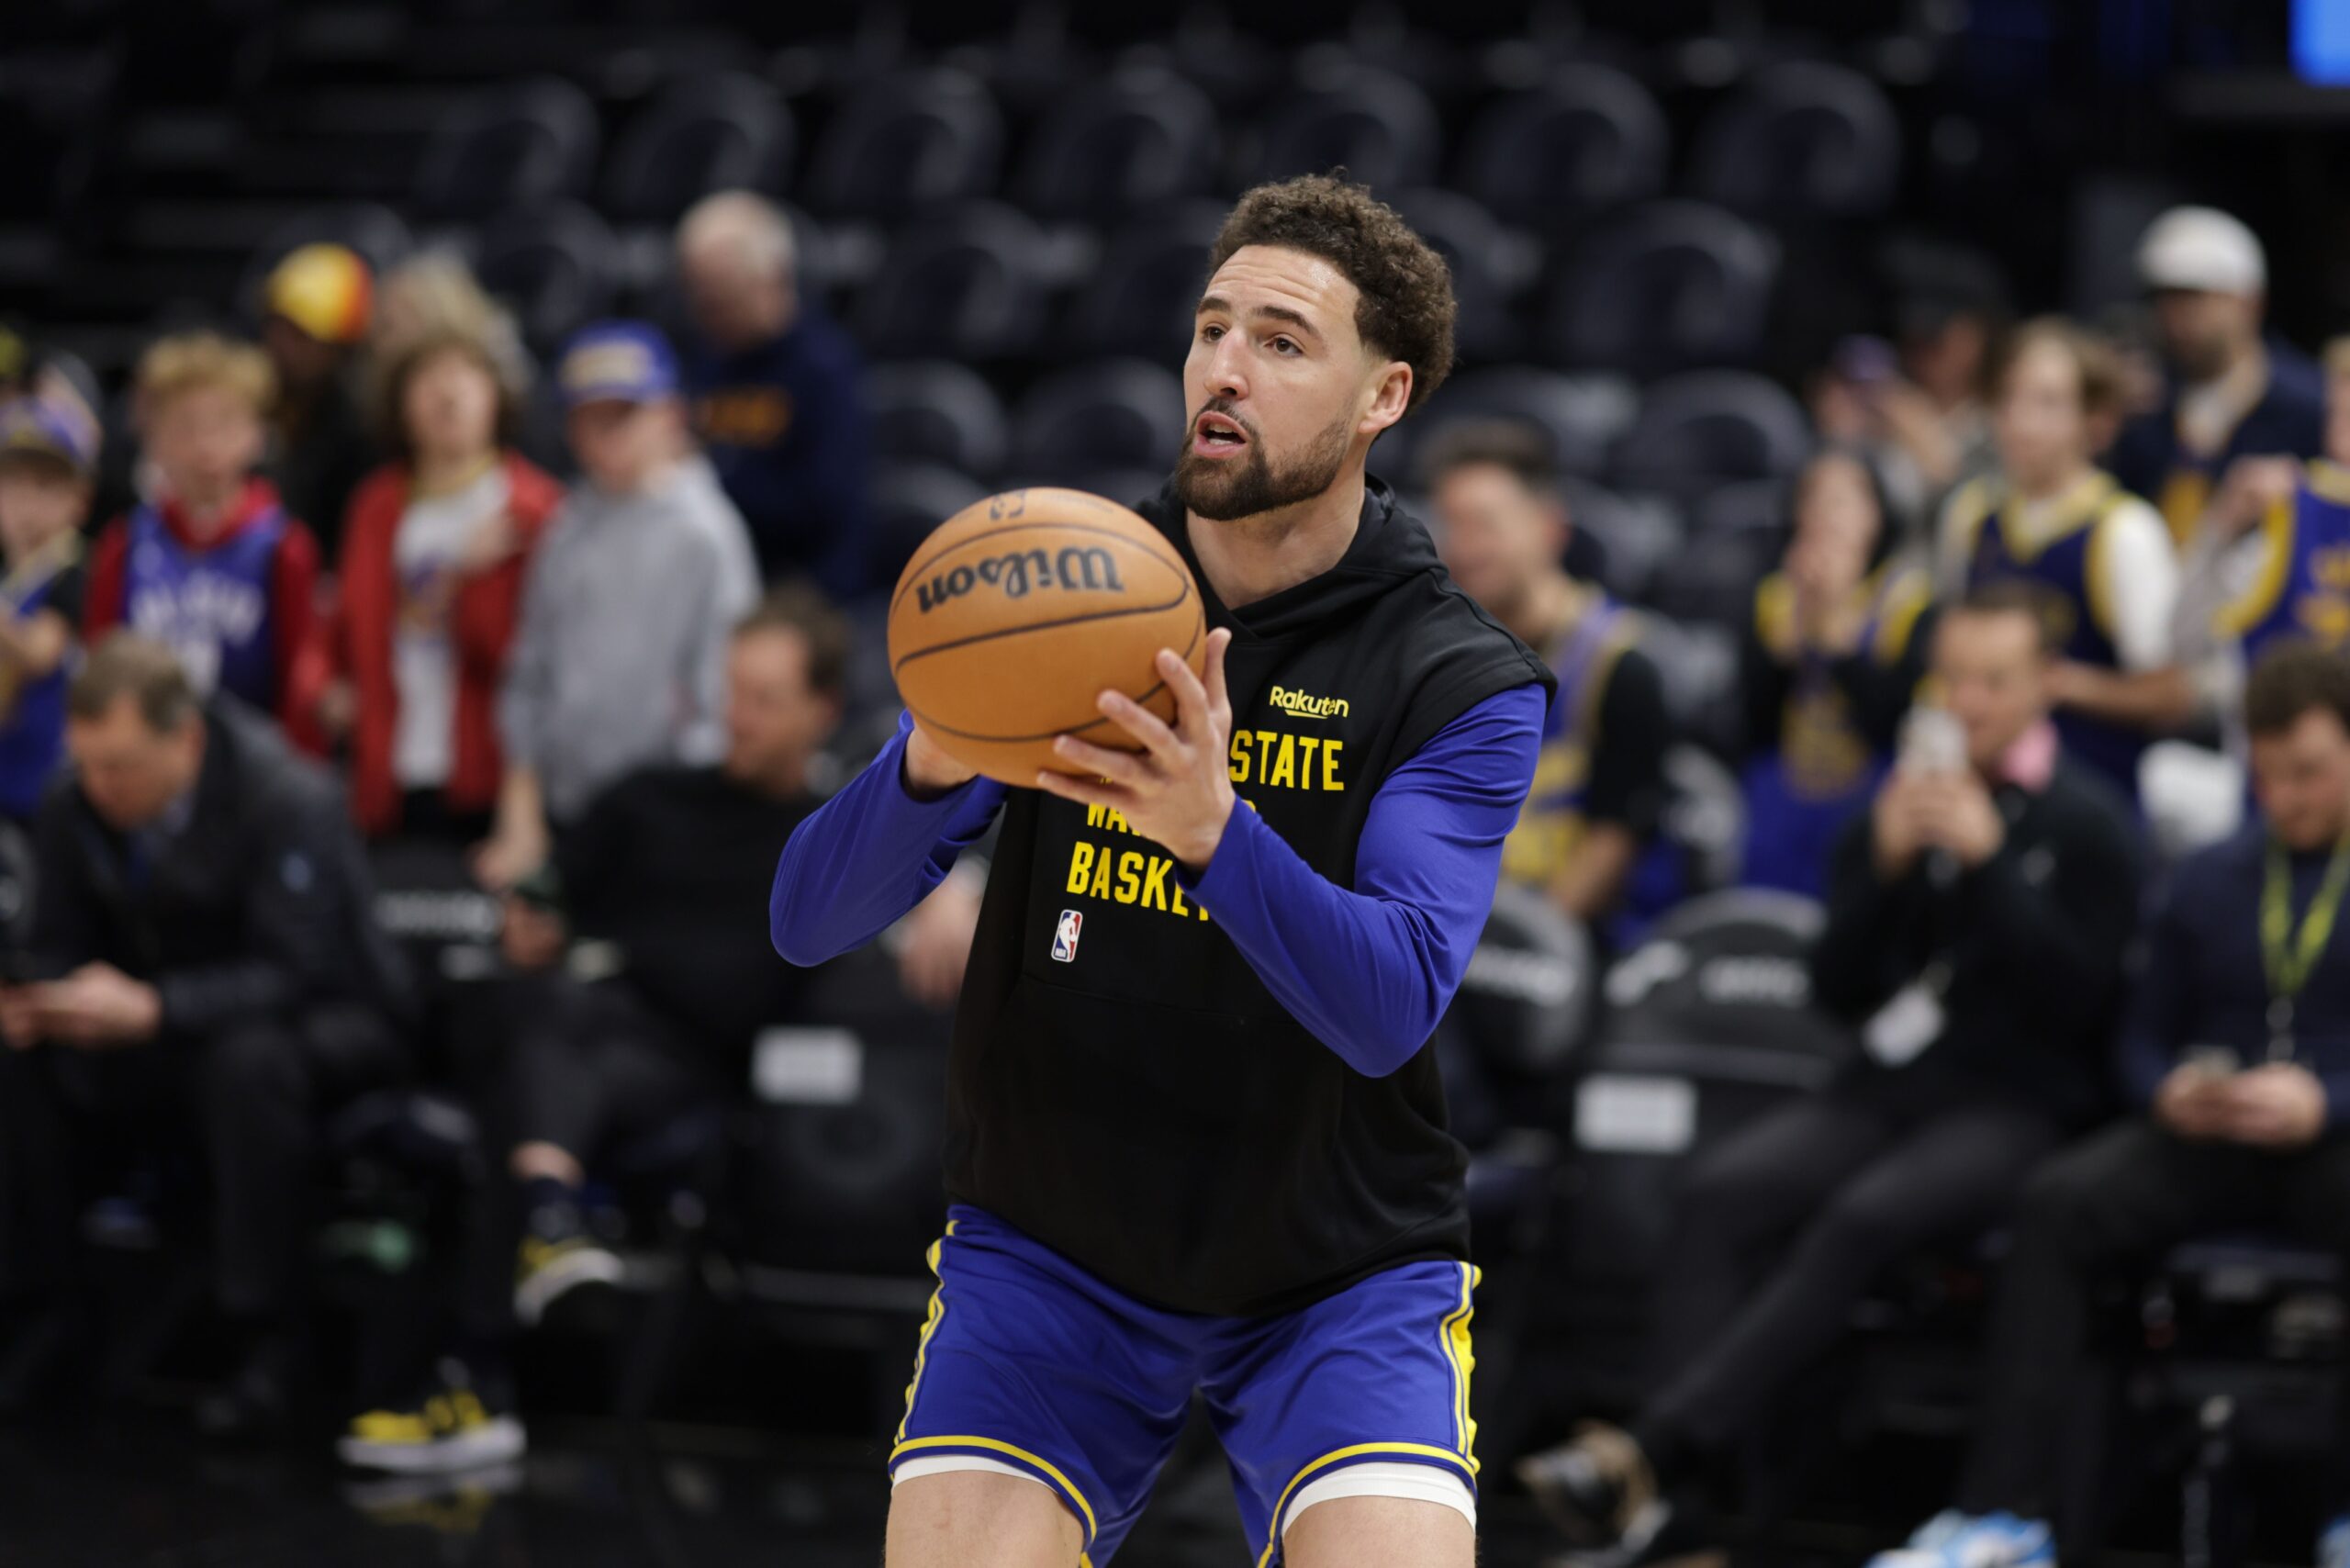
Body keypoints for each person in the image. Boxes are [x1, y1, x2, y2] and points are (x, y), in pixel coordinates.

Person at [771, 174, 1553, 1568]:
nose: (1227, 368)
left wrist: (1215, 833)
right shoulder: (1068, 599)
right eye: (1212, 327)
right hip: (1053, 1246)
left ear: (1385, 397)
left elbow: (1390, 1008)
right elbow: (805, 920)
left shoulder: (1457, 678)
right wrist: (935, 764)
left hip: (1336, 1265)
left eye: (1284, 342)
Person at [1518, 583, 2141, 1564]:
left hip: (2019, 1102)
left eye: (1993, 681)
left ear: (2039, 689)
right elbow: (1838, 986)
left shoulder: (2090, 821)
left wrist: (1987, 867)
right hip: (1884, 1087)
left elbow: (2087, 1006)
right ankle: (1690, 1520)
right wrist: (1887, 871)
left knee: (1860, 1217)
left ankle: (1653, 1455)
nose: (1969, 702)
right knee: (1721, 1193)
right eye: (1954, 679)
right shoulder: (1900, 798)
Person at [1874, 640, 2350, 1568]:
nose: (2286, 796)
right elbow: (2136, 1032)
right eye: (2269, 775)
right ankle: (2004, 1514)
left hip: (2331, 1138)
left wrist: (2325, 1098)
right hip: (2211, 1136)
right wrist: (2166, 1087)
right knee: (2058, 1203)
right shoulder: (2212, 874)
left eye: (2311, 773)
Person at [0, 634, 412, 1435]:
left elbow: (294, 970)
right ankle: (44, 1313)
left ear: (184, 739)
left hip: (331, 1021)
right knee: (16, 1060)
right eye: (87, 763)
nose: (101, 785)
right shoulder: (72, 800)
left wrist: (154, 1006)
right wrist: (40, 998)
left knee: (245, 1065)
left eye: (121, 765)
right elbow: (53, 940)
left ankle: (269, 1341)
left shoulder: (286, 796)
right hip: (166, 1017)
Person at [475, 322, 733, 889]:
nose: (605, 435)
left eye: (624, 415)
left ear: (668, 416)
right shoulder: (566, 528)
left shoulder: (706, 536)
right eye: (589, 418)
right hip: (563, 815)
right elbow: (530, 676)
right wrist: (521, 806)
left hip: (662, 822)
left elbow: (720, 705)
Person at [1425, 420, 1670, 931]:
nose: (1465, 548)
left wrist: (1530, 945)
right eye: (1454, 525)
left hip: (1575, 941)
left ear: (1549, 528)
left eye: (1486, 524)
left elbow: (1617, 835)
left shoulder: (1620, 664)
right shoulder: (1438, 655)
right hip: (1457, 929)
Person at [322, 319, 562, 841]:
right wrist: (323, 686)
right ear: (400, 406)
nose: (448, 393)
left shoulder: (534, 510)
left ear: (498, 397)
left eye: (466, 375)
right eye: (428, 378)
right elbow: (343, 629)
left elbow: (523, 664)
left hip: (490, 781)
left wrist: (471, 584)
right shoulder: (375, 507)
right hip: (389, 773)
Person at [1937, 318, 2184, 806]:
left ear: (2097, 422)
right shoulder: (1968, 515)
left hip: (2090, 791)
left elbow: (2171, 696)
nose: (2021, 421)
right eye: (2010, 398)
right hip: (1977, 789)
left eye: (2048, 403)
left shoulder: (2125, 531)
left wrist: (2060, 684)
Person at [85, 331, 325, 747]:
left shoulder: (283, 545)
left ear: (256, 434)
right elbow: (98, 667)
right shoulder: (124, 544)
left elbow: (303, 681)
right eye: (186, 427)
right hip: (146, 765)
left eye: (225, 424)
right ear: (154, 438)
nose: (206, 445)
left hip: (254, 767)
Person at [1740, 448, 1935, 898]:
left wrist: (1834, 639)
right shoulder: (1773, 599)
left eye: (1845, 500)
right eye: (1813, 499)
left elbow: (1898, 725)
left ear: (1880, 514)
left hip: (1870, 799)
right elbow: (1751, 727)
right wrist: (1781, 654)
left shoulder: (1910, 603)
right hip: (1784, 799)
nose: (1826, 515)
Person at [676, 191, 871, 596]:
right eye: (702, 301)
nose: (711, 315)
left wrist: (709, 481)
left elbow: (822, 505)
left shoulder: (824, 369)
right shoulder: (707, 364)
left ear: (775, 278)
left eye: (725, 299)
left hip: (804, 590)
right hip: (721, 578)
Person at [2109, 207, 2325, 549]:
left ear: (2249, 303)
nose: (2177, 319)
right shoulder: (2145, 408)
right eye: (2165, 301)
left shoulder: (2312, 406)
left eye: (2196, 300)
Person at [2174, 337, 2350, 751]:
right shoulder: (2283, 508)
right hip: (2280, 785)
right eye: (2339, 409)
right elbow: (2181, 642)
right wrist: (2220, 529)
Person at [0, 396, 97, 823]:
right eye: (13, 484)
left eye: (45, 487)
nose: (27, 504)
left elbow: (40, 653)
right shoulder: (11, 579)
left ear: (79, 499)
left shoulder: (74, 571)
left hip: (49, 787)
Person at [259, 243, 378, 557]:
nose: (284, 346)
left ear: (341, 348)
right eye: (279, 327)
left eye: (303, 336)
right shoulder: (253, 400)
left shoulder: (358, 431)